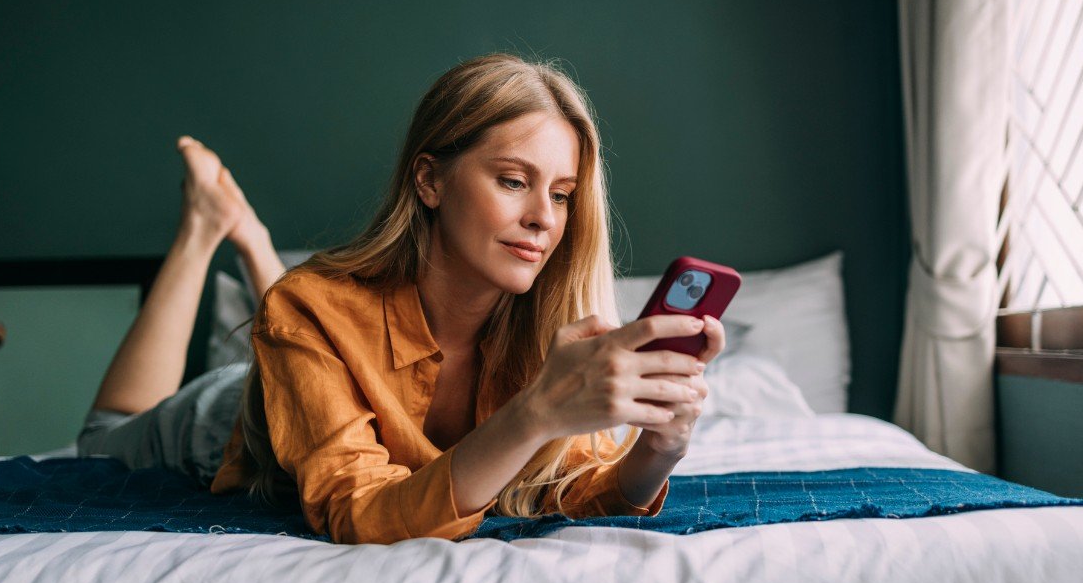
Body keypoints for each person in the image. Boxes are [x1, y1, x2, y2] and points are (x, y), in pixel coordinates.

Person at [77, 52, 725, 545]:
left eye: (560, 194)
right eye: (512, 180)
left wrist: (656, 450)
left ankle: (252, 240)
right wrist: (536, 412)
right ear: (429, 180)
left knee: (299, 307)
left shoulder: (544, 330)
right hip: (225, 424)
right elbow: (359, 511)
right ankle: (206, 227)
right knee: (99, 439)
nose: (544, 219)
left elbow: (575, 488)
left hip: (315, 345)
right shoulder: (308, 309)